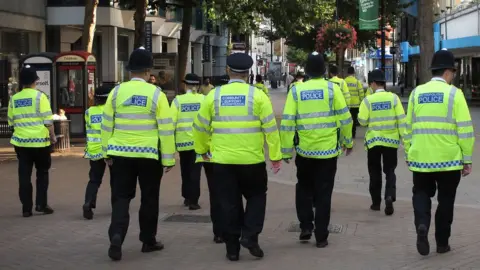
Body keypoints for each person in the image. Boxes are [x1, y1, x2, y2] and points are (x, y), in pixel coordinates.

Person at [193, 53, 282, 261]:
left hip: (222, 162)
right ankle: (250, 236)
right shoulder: (258, 96)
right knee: (257, 197)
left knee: (229, 203)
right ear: (248, 73)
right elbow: (271, 129)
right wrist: (276, 156)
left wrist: (203, 150)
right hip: (252, 161)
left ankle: (232, 249)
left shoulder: (213, 96)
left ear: (228, 71)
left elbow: (199, 128)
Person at [102, 47, 176, 261]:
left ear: (129, 71)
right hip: (148, 156)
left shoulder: (115, 93)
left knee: (121, 198)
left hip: (119, 153)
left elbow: (106, 125)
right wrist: (169, 158)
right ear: (147, 71)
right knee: (149, 198)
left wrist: (105, 152)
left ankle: (116, 235)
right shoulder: (156, 94)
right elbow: (165, 128)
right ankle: (148, 240)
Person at [404, 49, 474, 256]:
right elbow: (465, 129)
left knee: (421, 193)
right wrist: (467, 159)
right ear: (447, 72)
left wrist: (409, 152)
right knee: (446, 201)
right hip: (449, 160)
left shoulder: (416, 93)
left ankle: (422, 225)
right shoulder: (455, 94)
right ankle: (442, 243)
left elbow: (408, 128)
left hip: (421, 158)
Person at [280, 52, 353, 248]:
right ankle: (321, 236)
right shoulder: (332, 90)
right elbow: (346, 119)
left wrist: (286, 151)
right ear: (324, 70)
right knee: (324, 192)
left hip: (305, 151)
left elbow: (287, 122)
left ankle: (305, 226)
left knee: (303, 188)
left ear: (307, 71)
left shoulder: (296, 91)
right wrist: (348, 141)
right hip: (328, 152)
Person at [8, 65, 57, 217]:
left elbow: (11, 122)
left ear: (22, 82)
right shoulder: (40, 97)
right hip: (40, 143)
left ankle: (26, 208)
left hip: (21, 144)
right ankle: (41, 204)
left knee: (24, 175)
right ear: (35, 80)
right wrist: (53, 137)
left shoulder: (14, 99)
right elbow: (48, 121)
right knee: (42, 173)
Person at [358, 69, 406, 215]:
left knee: (374, 171)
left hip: (373, 142)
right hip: (391, 142)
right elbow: (402, 120)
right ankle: (389, 195)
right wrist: (405, 140)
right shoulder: (394, 99)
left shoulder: (368, 100)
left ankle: (376, 203)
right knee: (390, 170)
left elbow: (362, 120)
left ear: (373, 83)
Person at [171, 73, 205, 210]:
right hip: (199, 142)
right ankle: (194, 201)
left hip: (182, 141)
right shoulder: (204, 100)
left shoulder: (178, 101)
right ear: (198, 86)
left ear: (186, 85)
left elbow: (171, 122)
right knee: (195, 171)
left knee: (184, 170)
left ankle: (186, 196)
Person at [82, 84, 114, 220]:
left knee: (94, 180)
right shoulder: (112, 112)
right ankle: (116, 205)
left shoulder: (89, 112)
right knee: (116, 180)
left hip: (94, 150)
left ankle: (88, 202)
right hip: (111, 150)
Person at [345, 66, 365, 138]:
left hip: (347, 105)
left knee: (348, 120)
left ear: (347, 73)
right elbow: (361, 93)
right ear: (353, 73)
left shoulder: (344, 81)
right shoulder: (357, 82)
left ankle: (348, 133)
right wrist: (362, 101)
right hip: (355, 105)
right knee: (354, 119)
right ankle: (353, 133)